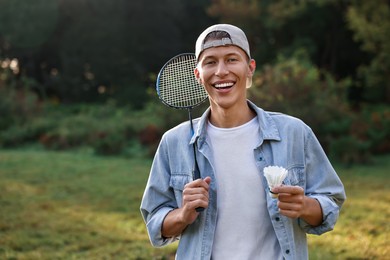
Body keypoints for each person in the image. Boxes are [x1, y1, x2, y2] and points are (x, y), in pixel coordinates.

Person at [140, 24, 346, 260]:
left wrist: (306, 207)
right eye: (210, 62)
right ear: (198, 75)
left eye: (231, 59)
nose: (221, 71)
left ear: (250, 69)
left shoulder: (294, 133)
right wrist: (183, 214)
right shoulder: (173, 142)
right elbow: (155, 222)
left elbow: (331, 200)